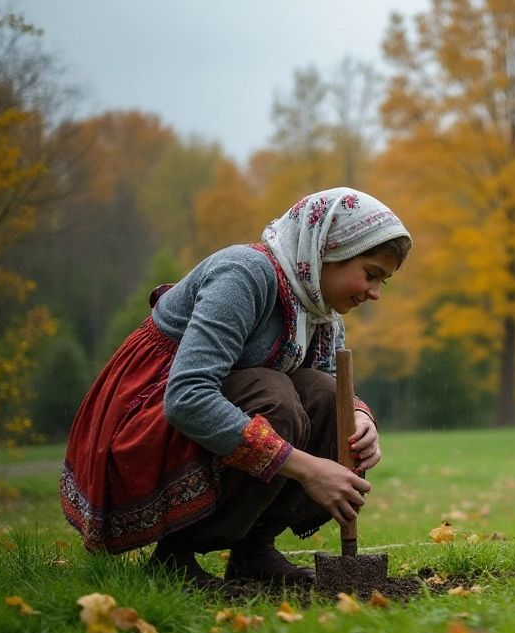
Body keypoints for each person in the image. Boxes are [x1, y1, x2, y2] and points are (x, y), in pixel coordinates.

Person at [60, 188, 411, 589]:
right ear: (326, 250)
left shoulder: (320, 308)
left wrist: (361, 417)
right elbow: (187, 397)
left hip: (225, 411)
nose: (375, 293)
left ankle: (254, 553)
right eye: (370, 274)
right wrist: (308, 468)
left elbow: (325, 384)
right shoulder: (244, 274)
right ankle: (175, 556)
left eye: (383, 281)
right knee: (275, 397)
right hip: (146, 420)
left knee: (329, 400)